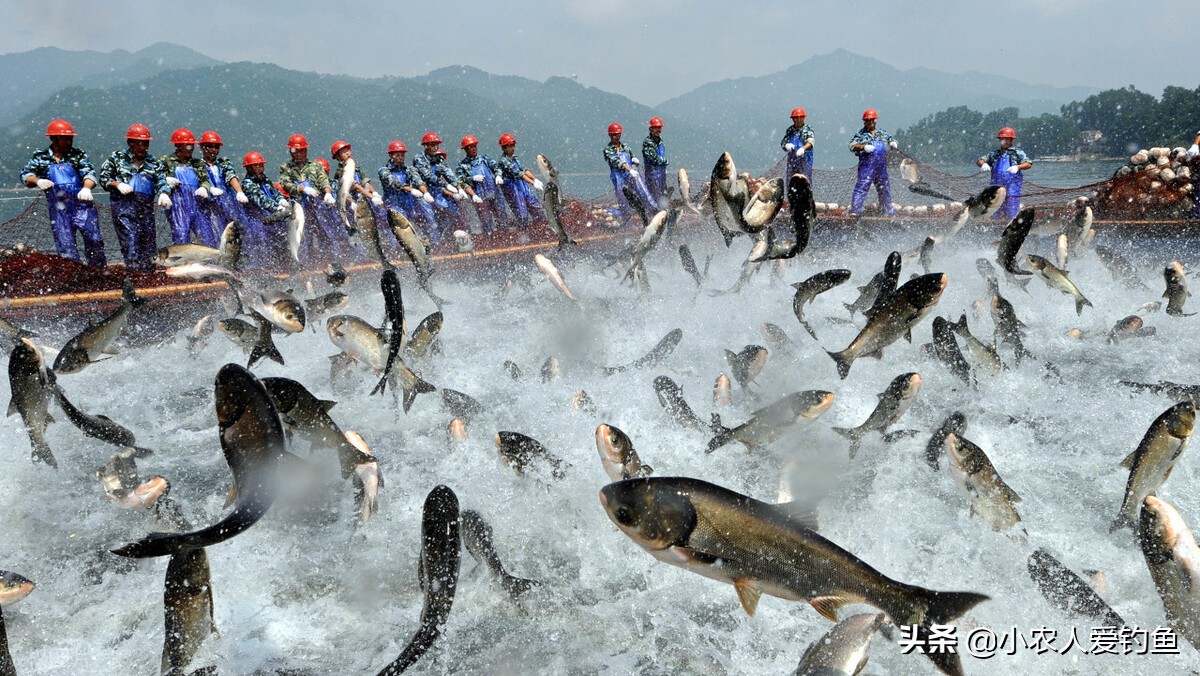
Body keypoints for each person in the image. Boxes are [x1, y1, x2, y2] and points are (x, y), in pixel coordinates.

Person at [20, 119, 106, 266]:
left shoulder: (78, 155)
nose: (68, 142)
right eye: (64, 139)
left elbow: (90, 174)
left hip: (82, 206)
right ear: (53, 139)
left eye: (70, 139)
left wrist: (86, 188)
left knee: (94, 240)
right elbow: (26, 176)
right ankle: (73, 277)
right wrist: (38, 181)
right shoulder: (41, 157)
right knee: (66, 246)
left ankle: (99, 273)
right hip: (59, 209)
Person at [97, 124, 168, 271]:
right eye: (139, 143)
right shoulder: (117, 158)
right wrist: (117, 184)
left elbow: (162, 180)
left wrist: (164, 192)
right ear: (130, 143)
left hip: (146, 211)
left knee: (149, 244)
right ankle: (134, 275)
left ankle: (148, 276)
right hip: (124, 209)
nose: (143, 147)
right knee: (131, 240)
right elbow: (103, 178)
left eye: (146, 144)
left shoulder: (153, 162)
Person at [278, 133, 338, 264]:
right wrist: (302, 189)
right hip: (299, 207)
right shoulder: (286, 168)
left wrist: (328, 193)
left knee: (327, 232)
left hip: (317, 205)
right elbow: (286, 184)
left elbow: (324, 181)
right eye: (295, 151)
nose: (298, 154)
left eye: (301, 151)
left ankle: (332, 261)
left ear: (306, 151)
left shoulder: (315, 166)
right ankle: (304, 265)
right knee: (303, 237)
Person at [159, 128, 218, 246]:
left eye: (192, 145)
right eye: (187, 145)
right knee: (181, 237)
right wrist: (165, 181)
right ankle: (181, 264)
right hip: (178, 205)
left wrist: (204, 188)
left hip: (198, 205)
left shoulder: (197, 164)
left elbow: (205, 179)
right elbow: (156, 176)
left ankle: (210, 264)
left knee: (206, 238)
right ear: (178, 146)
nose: (190, 148)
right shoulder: (166, 161)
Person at [377, 140, 439, 240]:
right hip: (393, 203)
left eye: (402, 155)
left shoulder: (409, 169)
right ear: (391, 155)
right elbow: (393, 182)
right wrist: (411, 189)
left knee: (427, 212)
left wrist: (426, 193)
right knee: (400, 221)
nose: (400, 158)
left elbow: (418, 180)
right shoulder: (384, 170)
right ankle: (395, 249)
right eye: (397, 155)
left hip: (408, 202)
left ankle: (434, 242)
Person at [239, 151, 291, 270]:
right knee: (261, 249)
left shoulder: (264, 180)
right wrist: (276, 207)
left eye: (261, 165)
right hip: (257, 223)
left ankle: (282, 266)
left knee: (282, 243)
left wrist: (281, 200)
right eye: (256, 165)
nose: (260, 168)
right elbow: (262, 200)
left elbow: (274, 192)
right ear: (249, 168)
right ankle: (260, 271)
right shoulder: (248, 184)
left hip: (271, 220)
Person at [198, 130, 252, 237]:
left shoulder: (224, 163)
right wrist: (210, 189)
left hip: (229, 204)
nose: (213, 150)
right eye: (210, 146)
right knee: (216, 235)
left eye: (216, 147)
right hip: (211, 208)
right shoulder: (197, 165)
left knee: (238, 233)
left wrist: (239, 192)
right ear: (202, 147)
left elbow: (231, 176)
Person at [603, 122, 657, 226]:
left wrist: (634, 160)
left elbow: (631, 156)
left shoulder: (626, 147)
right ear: (610, 135)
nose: (616, 137)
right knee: (623, 198)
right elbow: (617, 161)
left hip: (630, 173)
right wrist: (629, 169)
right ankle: (628, 222)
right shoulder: (608, 150)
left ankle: (652, 209)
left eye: (618, 135)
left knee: (642, 190)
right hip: (618, 176)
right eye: (614, 135)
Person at [413, 132, 462, 243]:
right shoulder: (419, 158)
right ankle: (435, 243)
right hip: (424, 194)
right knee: (430, 218)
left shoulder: (439, 158)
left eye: (437, 145)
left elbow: (448, 172)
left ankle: (449, 240)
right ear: (426, 146)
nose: (435, 147)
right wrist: (445, 185)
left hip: (437, 192)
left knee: (453, 213)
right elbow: (427, 176)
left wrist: (459, 188)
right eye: (433, 144)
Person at [848, 109, 898, 218]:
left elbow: (890, 138)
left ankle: (888, 211)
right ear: (864, 122)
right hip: (867, 166)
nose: (870, 122)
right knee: (862, 187)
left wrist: (893, 142)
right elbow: (851, 146)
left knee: (884, 188)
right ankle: (855, 210)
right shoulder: (861, 135)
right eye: (867, 120)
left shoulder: (882, 133)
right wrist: (863, 147)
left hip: (881, 166)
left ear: (875, 121)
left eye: (872, 120)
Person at [977, 127, 1032, 220]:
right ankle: (994, 227)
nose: (1005, 141)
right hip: (996, 187)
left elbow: (1028, 164)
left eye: (1007, 139)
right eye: (1003, 139)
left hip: (1012, 187)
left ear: (1011, 140)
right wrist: (983, 164)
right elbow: (980, 160)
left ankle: (1012, 225)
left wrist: (1017, 167)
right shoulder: (994, 154)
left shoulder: (1017, 153)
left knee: (1012, 209)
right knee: (994, 209)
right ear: (1000, 140)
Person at [456, 135, 507, 233]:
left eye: (474, 146)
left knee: (501, 213)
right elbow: (461, 181)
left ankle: (504, 233)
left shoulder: (485, 158)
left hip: (493, 190)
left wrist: (498, 175)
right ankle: (489, 235)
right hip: (479, 194)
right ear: (465, 149)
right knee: (485, 217)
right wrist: (472, 178)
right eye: (470, 147)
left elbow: (496, 168)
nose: (473, 149)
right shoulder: (462, 165)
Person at [496, 133, 547, 229]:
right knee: (521, 212)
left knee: (535, 207)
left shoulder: (514, 159)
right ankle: (524, 233)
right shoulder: (504, 161)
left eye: (513, 145)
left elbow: (524, 170)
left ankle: (542, 227)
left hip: (521, 186)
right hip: (512, 188)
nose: (512, 148)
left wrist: (535, 179)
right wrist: (532, 183)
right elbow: (519, 174)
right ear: (503, 148)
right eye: (509, 146)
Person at [780, 107, 814, 195]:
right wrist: (786, 145)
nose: (798, 120)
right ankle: (792, 203)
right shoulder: (790, 130)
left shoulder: (807, 130)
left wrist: (803, 148)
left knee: (804, 182)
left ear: (803, 118)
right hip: (792, 162)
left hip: (805, 161)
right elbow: (783, 142)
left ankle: (806, 204)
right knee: (791, 183)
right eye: (795, 118)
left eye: (800, 117)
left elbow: (810, 142)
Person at [642, 117, 669, 208]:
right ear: (651, 129)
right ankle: (655, 214)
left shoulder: (660, 141)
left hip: (661, 175)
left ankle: (663, 214)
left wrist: (663, 169)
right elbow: (653, 159)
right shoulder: (648, 142)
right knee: (654, 197)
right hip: (652, 176)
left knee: (662, 196)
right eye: (656, 128)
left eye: (659, 128)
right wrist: (665, 161)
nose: (658, 130)